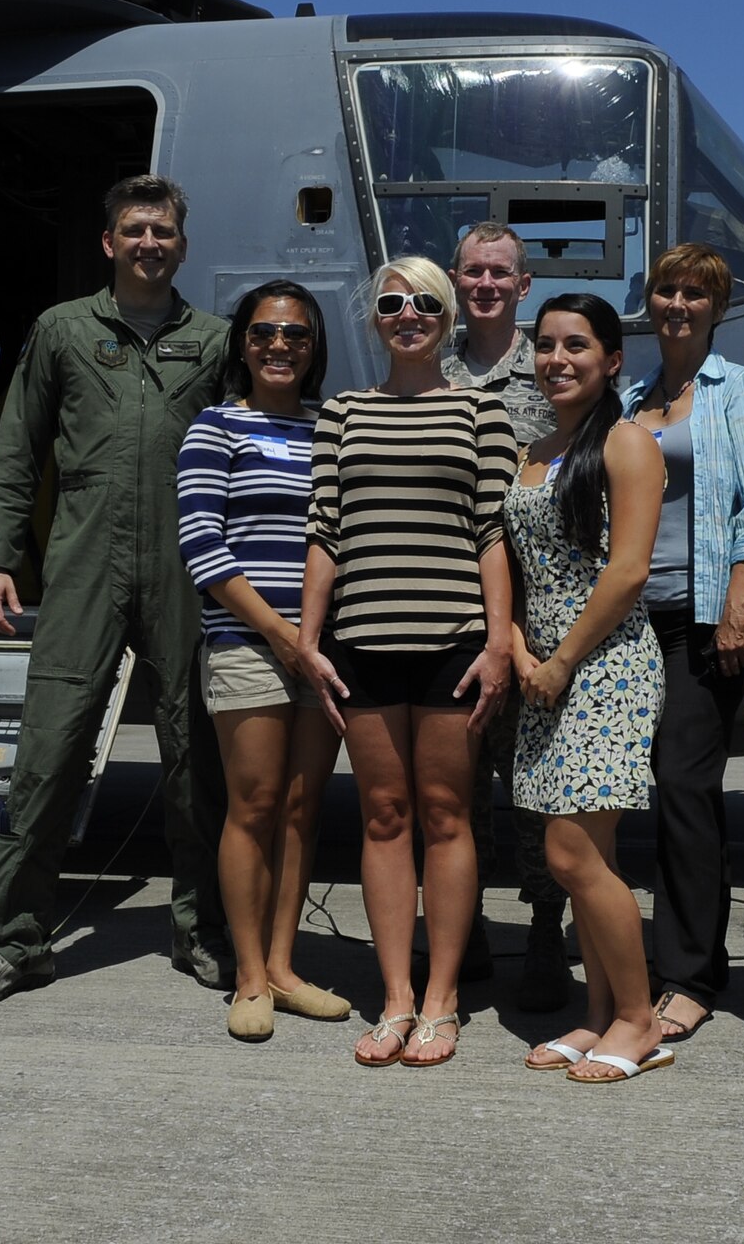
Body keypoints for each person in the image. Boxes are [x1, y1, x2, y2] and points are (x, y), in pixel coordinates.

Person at [0, 174, 233, 1008]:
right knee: (50, 753)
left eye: (165, 231)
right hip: (83, 565)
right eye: (135, 230)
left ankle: (200, 929)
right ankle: (17, 942)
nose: (150, 243)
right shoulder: (63, 331)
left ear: (182, 245)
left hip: (185, 566)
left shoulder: (212, 341)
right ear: (110, 242)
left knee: (195, 759)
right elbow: (17, 447)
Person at [297, 256, 518, 1067]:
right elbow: (325, 529)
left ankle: (443, 998)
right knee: (383, 819)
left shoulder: (481, 412)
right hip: (362, 640)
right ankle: (394, 997)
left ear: (448, 315)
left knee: (446, 815)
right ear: (376, 320)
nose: (408, 313)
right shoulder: (344, 414)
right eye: (392, 303)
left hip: (454, 642)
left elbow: (494, 534)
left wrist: (499, 642)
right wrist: (307, 641)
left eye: (425, 301)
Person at [621, 243, 744, 1044]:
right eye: (665, 290)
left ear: (716, 307)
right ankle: (664, 955)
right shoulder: (630, 399)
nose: (677, 303)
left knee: (684, 788)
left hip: (700, 619)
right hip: (629, 619)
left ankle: (688, 973)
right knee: (641, 791)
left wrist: (739, 610)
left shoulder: (742, 393)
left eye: (694, 293)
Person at [505, 295, 670, 1083]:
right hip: (543, 669)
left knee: (568, 853)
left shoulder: (628, 443)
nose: (556, 359)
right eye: (544, 345)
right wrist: (513, 643)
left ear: (612, 361)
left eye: (577, 345)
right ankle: (602, 1013)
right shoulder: (535, 450)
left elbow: (629, 569)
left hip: (603, 664)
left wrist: (563, 657)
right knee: (592, 852)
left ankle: (640, 1019)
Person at [177, 281, 347, 1041]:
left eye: (297, 335)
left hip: (323, 651)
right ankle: (247, 977)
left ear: (314, 349)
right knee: (252, 806)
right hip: (250, 645)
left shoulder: (332, 427)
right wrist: (285, 637)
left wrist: (317, 642)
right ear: (242, 343)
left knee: (302, 812)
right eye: (265, 333)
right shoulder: (215, 429)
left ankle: (284, 967)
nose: (280, 345)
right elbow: (203, 549)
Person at [442, 222, 572, 1009]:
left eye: (501, 274)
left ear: (524, 286)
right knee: (455, 782)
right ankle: (470, 931)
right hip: (451, 604)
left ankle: (546, 929)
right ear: (456, 279)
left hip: (535, 610)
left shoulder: (551, 367)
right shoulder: (428, 364)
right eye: (473, 272)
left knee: (532, 781)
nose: (486, 284)